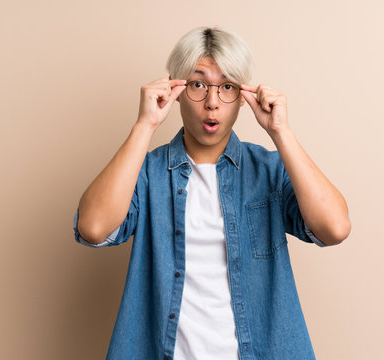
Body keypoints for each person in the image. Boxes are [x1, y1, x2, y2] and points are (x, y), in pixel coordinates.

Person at [73, 26, 350, 360]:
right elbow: (92, 228)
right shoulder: (146, 173)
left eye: (228, 86)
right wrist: (143, 126)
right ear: (175, 89)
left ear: (244, 95)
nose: (212, 103)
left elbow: (334, 228)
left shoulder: (269, 169)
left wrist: (281, 132)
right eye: (198, 84)